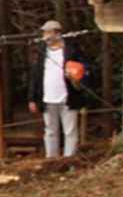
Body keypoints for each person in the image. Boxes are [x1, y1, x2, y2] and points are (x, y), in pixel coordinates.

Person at [27, 19, 84, 158]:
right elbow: (34, 75)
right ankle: (51, 158)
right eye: (45, 33)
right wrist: (32, 98)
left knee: (70, 130)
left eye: (49, 32)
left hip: (67, 96)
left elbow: (83, 68)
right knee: (50, 130)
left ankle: (69, 158)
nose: (46, 36)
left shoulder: (71, 49)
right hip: (47, 97)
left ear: (58, 33)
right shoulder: (40, 51)